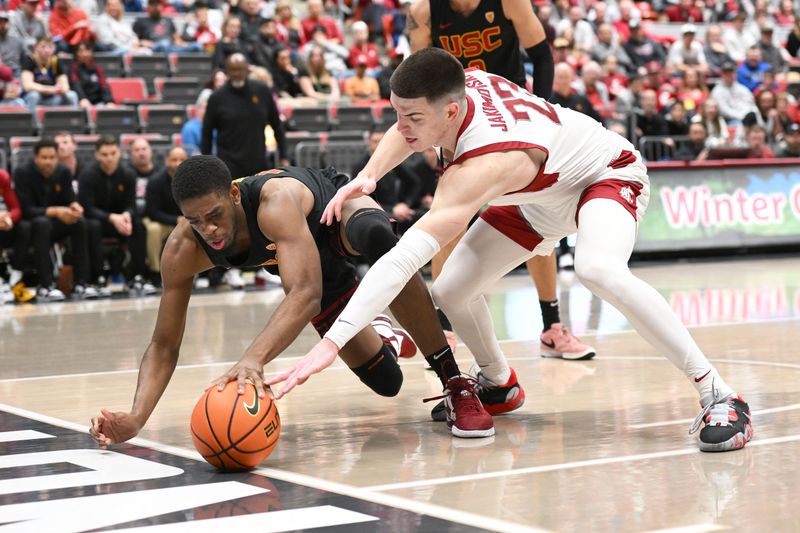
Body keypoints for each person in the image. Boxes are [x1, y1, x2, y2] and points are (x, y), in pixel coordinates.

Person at [272, 48, 753, 454]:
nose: (402, 126)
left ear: (453, 113)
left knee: (596, 268)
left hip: (603, 175)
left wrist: (333, 342)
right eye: (397, 112)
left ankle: (719, 393)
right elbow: (408, 125)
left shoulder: (485, 162)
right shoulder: (457, 87)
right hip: (538, 193)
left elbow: (400, 261)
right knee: (453, 289)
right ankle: (499, 382)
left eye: (414, 117)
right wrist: (369, 175)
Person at [89, 157, 493, 447]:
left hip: (334, 215)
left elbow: (303, 293)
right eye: (195, 221)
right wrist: (138, 417)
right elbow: (163, 344)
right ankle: (383, 334)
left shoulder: (273, 201)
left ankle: (454, 381)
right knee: (388, 383)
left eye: (214, 214)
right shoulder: (181, 248)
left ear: (232, 194)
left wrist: (253, 358)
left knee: (381, 242)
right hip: (309, 267)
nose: (207, 229)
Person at [408, 0, 594, 371]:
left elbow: (541, 55)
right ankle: (444, 330)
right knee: (449, 224)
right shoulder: (424, 11)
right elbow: (420, 78)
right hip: (459, 124)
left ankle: (552, 327)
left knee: (537, 221)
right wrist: (428, 132)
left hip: (511, 119)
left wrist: (543, 113)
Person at [13, 138, 98, 301]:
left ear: (57, 157)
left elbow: (69, 199)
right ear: (35, 158)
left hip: (57, 222)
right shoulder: (22, 173)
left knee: (79, 223)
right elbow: (25, 210)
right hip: (32, 223)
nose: (48, 162)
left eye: (52, 158)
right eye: (44, 158)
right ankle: (46, 285)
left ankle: (81, 283)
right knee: (41, 224)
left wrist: (74, 207)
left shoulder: (63, 172)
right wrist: (56, 211)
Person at [79, 135, 152, 296]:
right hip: (99, 221)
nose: (109, 158)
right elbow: (87, 208)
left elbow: (131, 205)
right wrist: (112, 218)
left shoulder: (128, 174)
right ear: (97, 155)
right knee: (92, 226)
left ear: (119, 153)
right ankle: (98, 278)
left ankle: (137, 277)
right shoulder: (87, 175)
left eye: (113, 153)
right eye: (105, 154)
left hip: (120, 221)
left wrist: (126, 215)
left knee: (138, 225)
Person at [202, 53, 289, 179]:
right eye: (233, 70)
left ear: (247, 69)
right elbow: (207, 133)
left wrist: (283, 156)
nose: (237, 73)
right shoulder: (217, 98)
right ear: (226, 71)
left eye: (240, 69)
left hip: (258, 163)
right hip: (228, 166)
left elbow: (277, 125)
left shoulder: (262, 91)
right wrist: (207, 164)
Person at [144, 146, 187, 283]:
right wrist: (175, 219)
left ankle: (199, 271)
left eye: (181, 159)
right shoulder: (155, 181)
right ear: (167, 161)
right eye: (174, 159)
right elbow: (152, 211)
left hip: (185, 220)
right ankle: (155, 271)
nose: (178, 163)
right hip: (161, 220)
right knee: (153, 229)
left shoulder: (192, 180)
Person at [0, 165, 35, 303]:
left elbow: (16, 208)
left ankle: (15, 279)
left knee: (24, 227)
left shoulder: (2, 176)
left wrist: (9, 219)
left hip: (2, 224)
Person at [20, 36, 78, 110]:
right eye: (43, 47)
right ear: (35, 47)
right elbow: (28, 86)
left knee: (72, 95)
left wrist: (61, 89)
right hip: (34, 99)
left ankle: (73, 121)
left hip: (52, 98)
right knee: (34, 95)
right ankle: (32, 121)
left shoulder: (56, 61)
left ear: (54, 48)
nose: (47, 50)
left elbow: (65, 85)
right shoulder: (30, 60)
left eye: (50, 47)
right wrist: (51, 89)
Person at [69, 41, 114, 107]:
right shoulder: (73, 68)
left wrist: (108, 101)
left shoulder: (97, 68)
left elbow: (104, 85)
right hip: (82, 102)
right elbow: (75, 84)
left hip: (99, 102)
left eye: (87, 50)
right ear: (76, 53)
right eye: (81, 51)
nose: (84, 54)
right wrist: (82, 98)